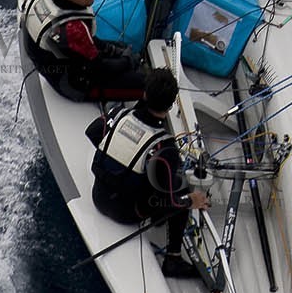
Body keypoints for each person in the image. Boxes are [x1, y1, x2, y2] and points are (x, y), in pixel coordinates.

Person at [90, 68, 210, 279]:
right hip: (127, 213)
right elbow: (170, 201)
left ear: (144, 94)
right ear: (171, 105)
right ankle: (172, 259)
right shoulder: (165, 146)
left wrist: (119, 152)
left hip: (98, 196)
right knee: (181, 186)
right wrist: (192, 200)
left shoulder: (119, 114)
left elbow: (92, 132)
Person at [21, 0, 147, 101]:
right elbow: (98, 69)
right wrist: (127, 61)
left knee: (122, 48)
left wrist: (113, 50)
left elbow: (88, 46)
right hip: (73, 84)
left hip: (62, 58)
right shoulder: (72, 29)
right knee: (144, 83)